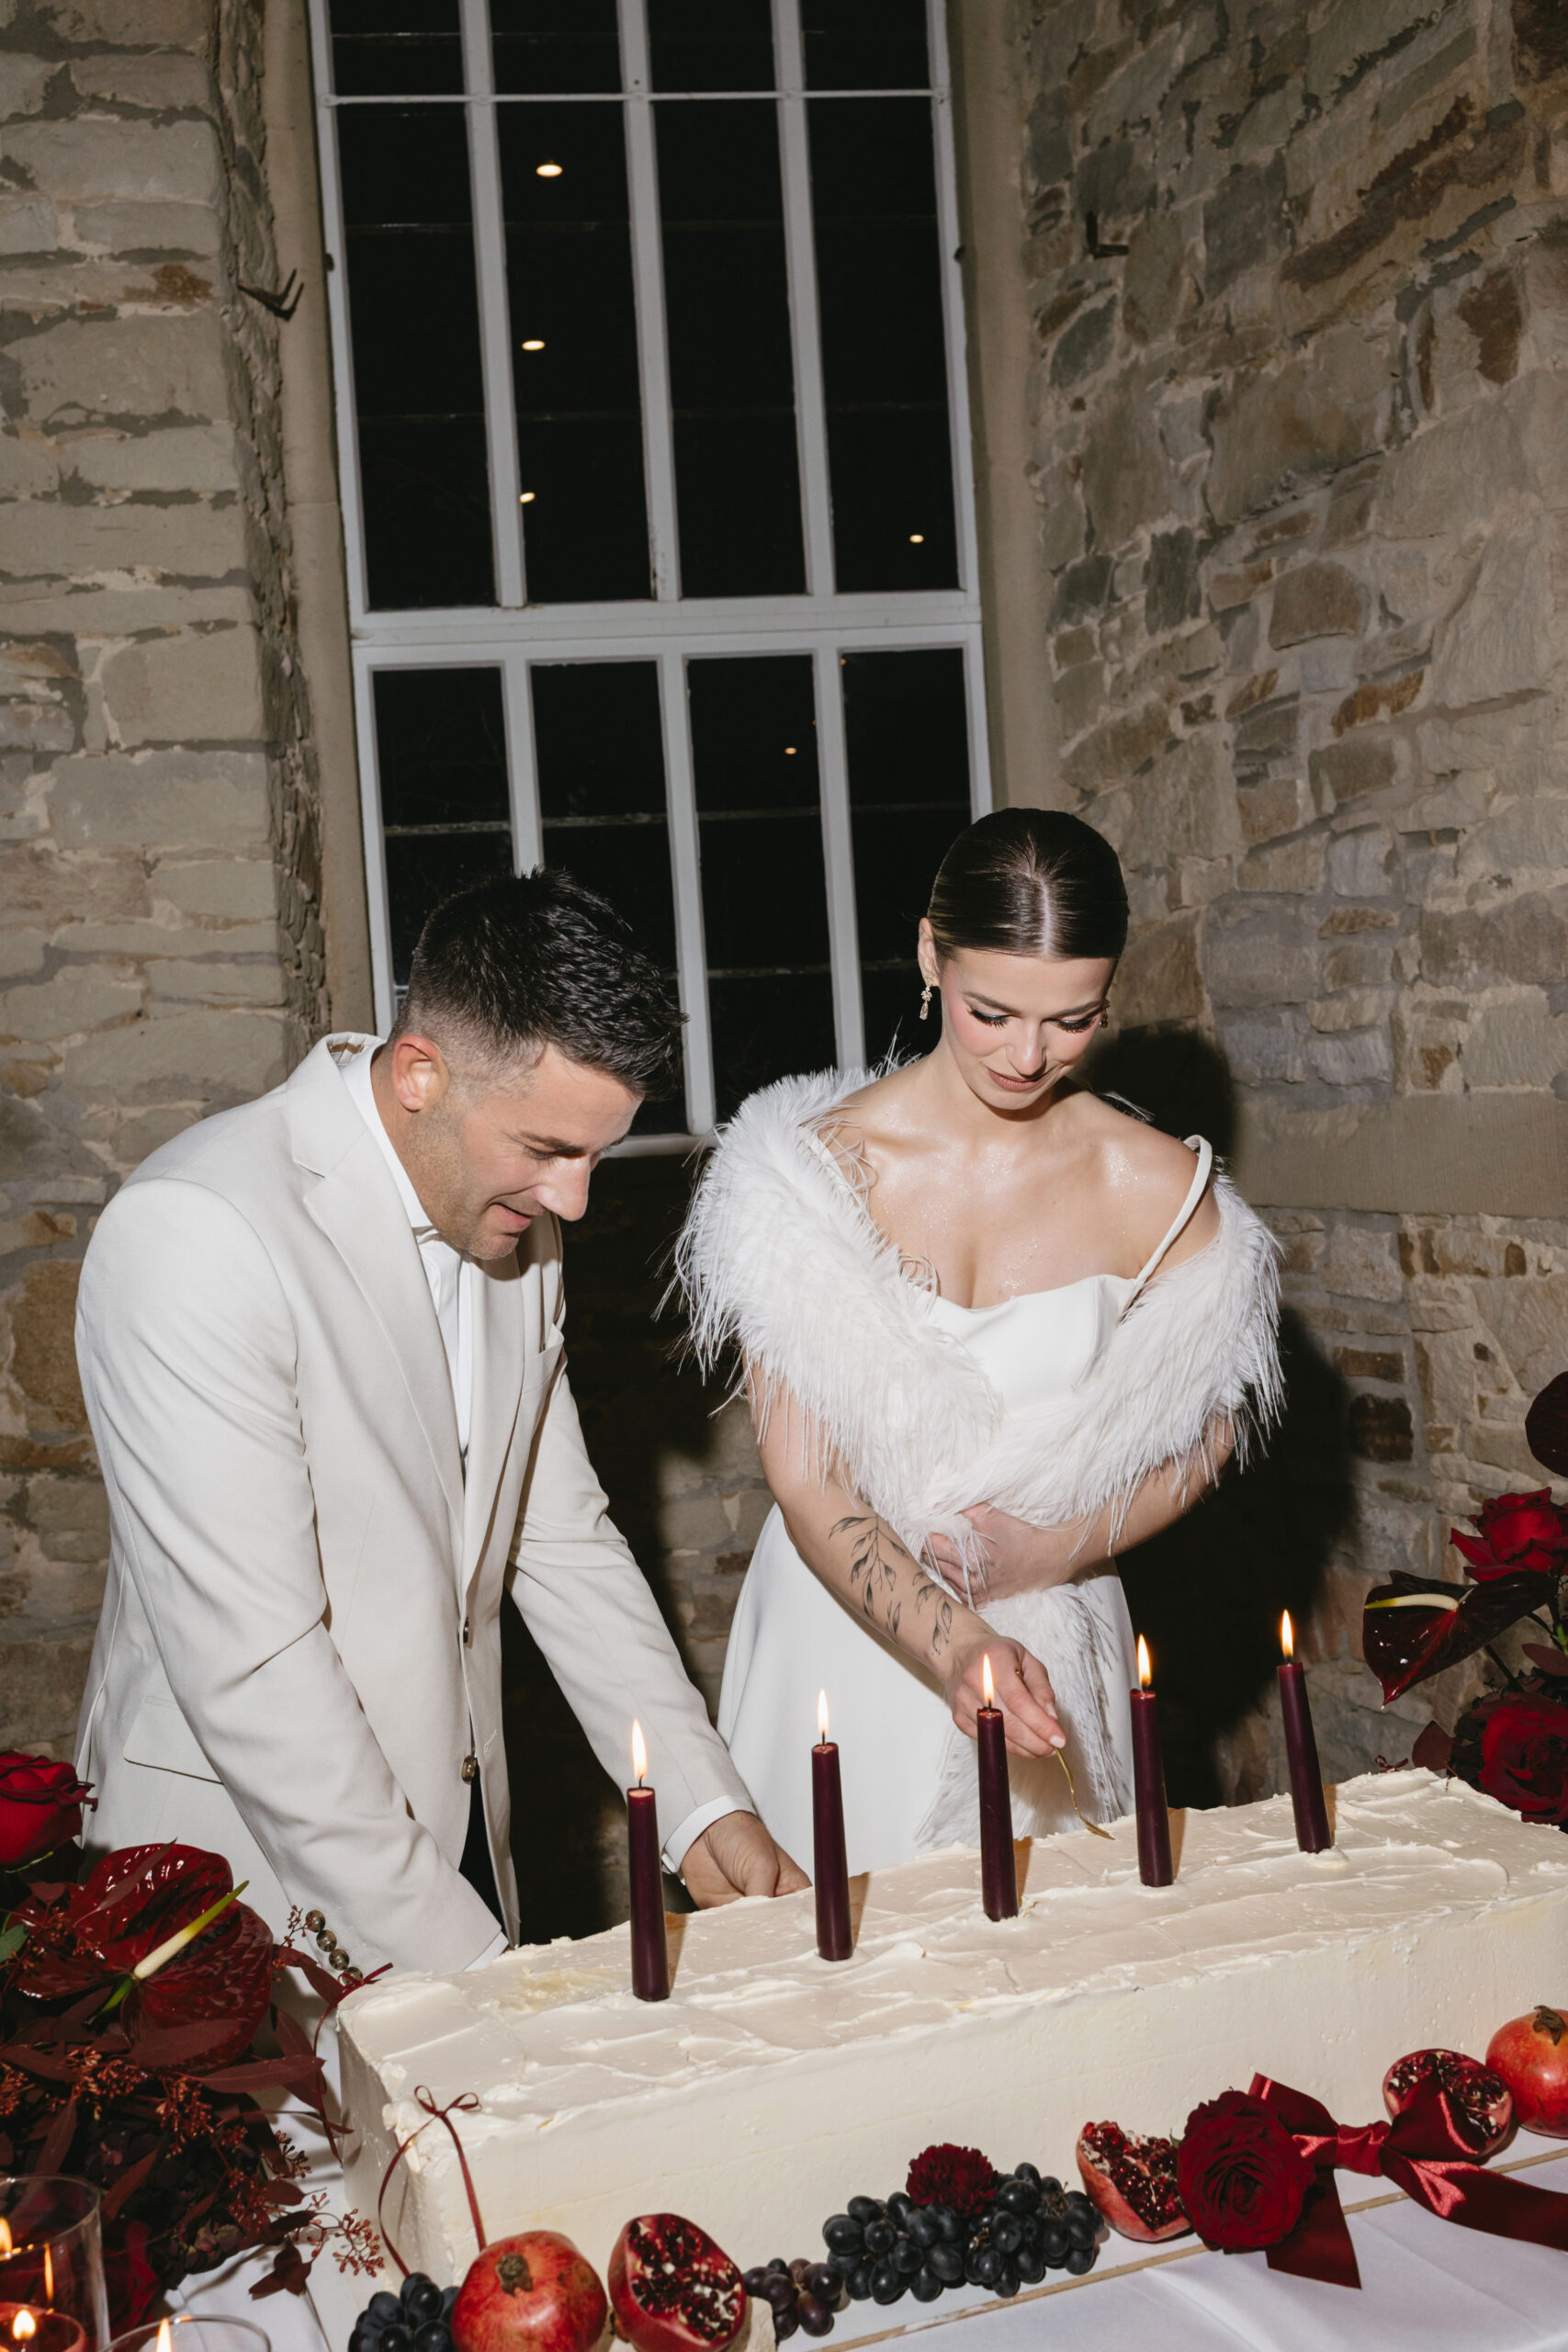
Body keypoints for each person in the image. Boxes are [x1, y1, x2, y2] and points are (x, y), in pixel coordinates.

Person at [75, 870, 806, 1981]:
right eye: (548, 1149)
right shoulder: (196, 1233)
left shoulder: (518, 1224)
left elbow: (559, 1539)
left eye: (595, 1156)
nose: (574, 1202)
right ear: (420, 1072)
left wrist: (704, 1809)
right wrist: (477, 1978)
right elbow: (256, 1669)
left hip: (454, 1842)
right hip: (233, 1888)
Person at [678, 809, 1280, 1876]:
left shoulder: (1155, 1185)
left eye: (1072, 1020)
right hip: (843, 1633)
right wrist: (958, 1642)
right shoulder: (808, 1175)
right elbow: (809, 1481)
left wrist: (1049, 1551)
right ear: (930, 956)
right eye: (990, 1012)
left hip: (1053, 1631)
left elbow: (1211, 1435)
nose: (1027, 1055)